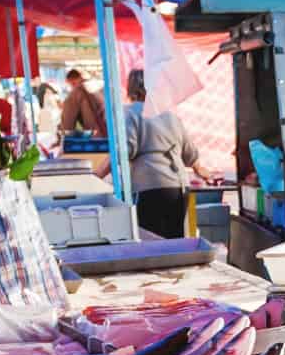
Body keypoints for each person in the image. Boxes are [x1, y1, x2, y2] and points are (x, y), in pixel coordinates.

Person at [124, 67, 201, 239]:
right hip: (179, 186)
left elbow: (128, 150)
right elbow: (190, 155)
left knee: (152, 242)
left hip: (150, 185)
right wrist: (202, 170)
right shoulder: (170, 115)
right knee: (175, 240)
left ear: (130, 87)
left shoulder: (130, 112)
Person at [57, 65, 105, 137]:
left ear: (71, 82)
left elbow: (67, 125)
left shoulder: (77, 93)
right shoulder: (102, 85)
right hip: (117, 139)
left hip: (98, 140)